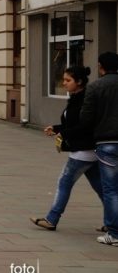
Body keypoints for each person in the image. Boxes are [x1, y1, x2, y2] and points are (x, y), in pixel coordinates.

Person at [31, 66, 103, 231]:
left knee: (64, 183)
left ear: (79, 82)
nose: (64, 84)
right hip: (88, 151)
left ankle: (51, 219)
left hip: (83, 150)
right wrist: (56, 128)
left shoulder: (85, 99)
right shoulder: (76, 98)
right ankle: (114, 223)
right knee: (101, 188)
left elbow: (84, 126)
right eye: (63, 80)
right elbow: (71, 123)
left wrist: (63, 133)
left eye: (68, 80)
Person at [79, 51, 118, 246]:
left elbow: (86, 119)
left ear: (101, 66)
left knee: (110, 189)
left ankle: (114, 233)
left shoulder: (95, 87)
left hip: (106, 142)